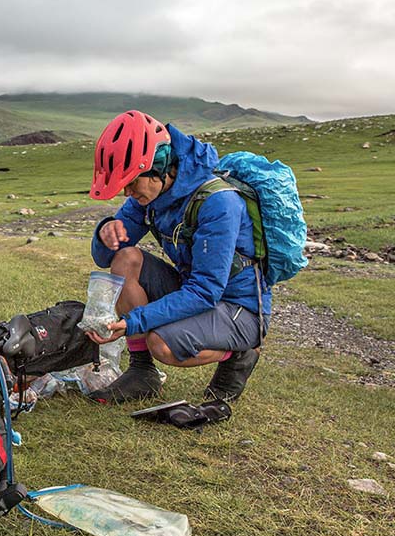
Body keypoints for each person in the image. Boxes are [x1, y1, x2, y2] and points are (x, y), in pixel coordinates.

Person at [84, 110, 270, 403]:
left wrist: (133, 322)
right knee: (126, 259)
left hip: (238, 309)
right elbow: (105, 258)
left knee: (161, 342)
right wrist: (106, 231)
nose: (127, 192)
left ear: (159, 166)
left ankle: (240, 353)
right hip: (194, 292)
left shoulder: (219, 202)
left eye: (132, 182)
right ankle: (142, 373)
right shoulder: (148, 197)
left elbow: (205, 291)